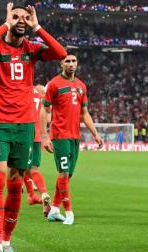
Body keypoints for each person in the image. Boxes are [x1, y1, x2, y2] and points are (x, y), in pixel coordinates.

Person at [0, 3, 66, 252]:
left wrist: (37, 26)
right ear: (8, 19)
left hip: (25, 126)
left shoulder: (31, 49)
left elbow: (60, 53)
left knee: (16, 183)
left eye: (25, 17)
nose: (21, 21)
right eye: (17, 17)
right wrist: (7, 22)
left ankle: (6, 242)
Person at [40, 54, 103, 225]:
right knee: (64, 172)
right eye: (67, 61)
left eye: (73, 61)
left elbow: (84, 113)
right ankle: (68, 212)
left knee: (69, 175)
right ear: (61, 63)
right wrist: (44, 136)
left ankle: (53, 209)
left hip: (75, 136)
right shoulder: (54, 84)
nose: (71, 64)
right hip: (60, 135)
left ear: (77, 64)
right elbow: (44, 109)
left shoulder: (81, 86)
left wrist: (95, 133)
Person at [23, 84, 51, 217]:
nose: (43, 93)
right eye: (43, 91)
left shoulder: (25, 91)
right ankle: (41, 193)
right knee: (33, 168)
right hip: (38, 136)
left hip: (25, 134)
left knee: (20, 167)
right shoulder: (43, 100)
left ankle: (31, 193)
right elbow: (49, 118)